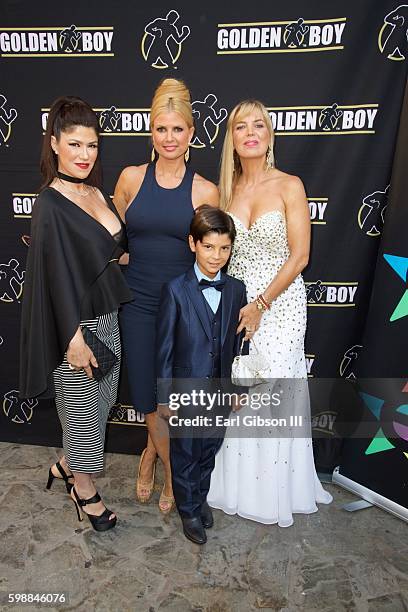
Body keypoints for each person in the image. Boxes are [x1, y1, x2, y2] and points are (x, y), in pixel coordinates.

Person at [207, 99, 333, 526]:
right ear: (233, 139)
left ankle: (275, 493)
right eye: (241, 126)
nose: (251, 132)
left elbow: (300, 256)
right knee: (243, 392)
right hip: (238, 307)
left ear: (270, 135)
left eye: (259, 125)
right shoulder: (226, 192)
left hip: (280, 305)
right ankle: (239, 488)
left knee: (273, 391)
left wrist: (262, 305)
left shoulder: (289, 186)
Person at [19, 96, 132, 531]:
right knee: (81, 409)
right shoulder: (49, 203)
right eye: (75, 144)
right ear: (54, 144)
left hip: (107, 315)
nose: (85, 154)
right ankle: (83, 489)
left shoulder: (95, 191)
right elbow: (52, 276)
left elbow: (107, 248)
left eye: (93, 145)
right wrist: (73, 338)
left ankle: (65, 463)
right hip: (77, 326)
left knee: (100, 406)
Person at [113, 78, 219, 514]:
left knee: (171, 399)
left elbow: (212, 257)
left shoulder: (205, 190)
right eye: (161, 129)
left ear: (192, 134)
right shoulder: (130, 179)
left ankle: (153, 455)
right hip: (137, 304)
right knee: (148, 398)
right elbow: (114, 236)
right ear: (150, 132)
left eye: (178, 129)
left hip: (182, 310)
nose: (169, 138)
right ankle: (168, 471)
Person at [156, 205, 247, 544]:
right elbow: (163, 348)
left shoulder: (236, 289)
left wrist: (238, 388)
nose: (216, 255)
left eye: (224, 248)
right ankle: (188, 509)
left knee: (209, 447)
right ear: (192, 243)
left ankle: (200, 496)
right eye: (209, 247)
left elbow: (239, 343)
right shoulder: (175, 290)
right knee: (185, 452)